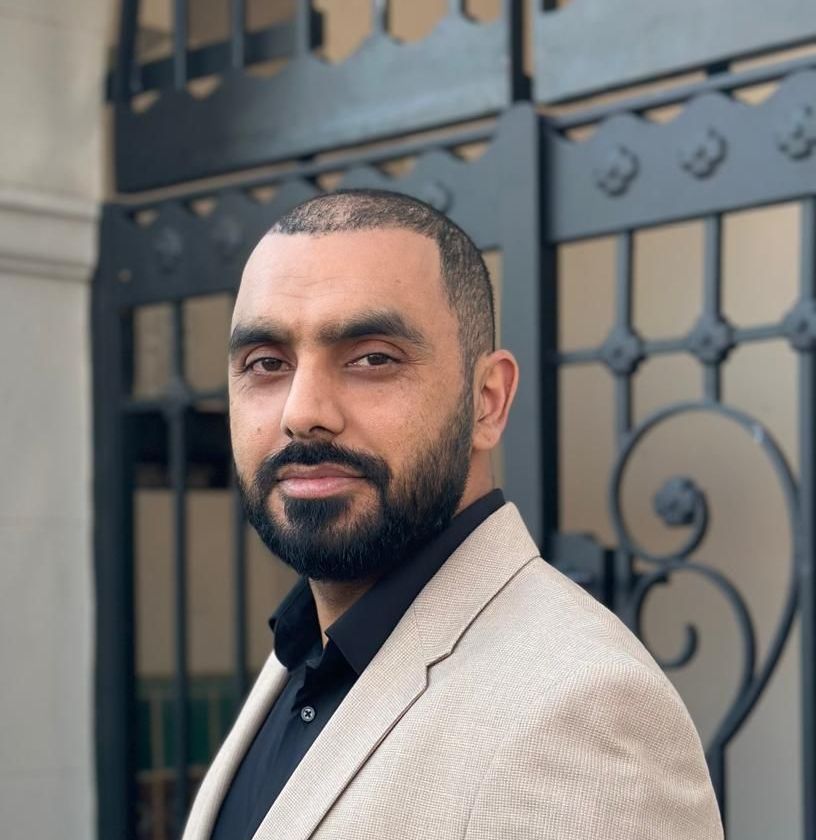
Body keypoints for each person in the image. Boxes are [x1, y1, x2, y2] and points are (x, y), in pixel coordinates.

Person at [182, 189, 723, 840]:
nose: (303, 412)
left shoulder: (583, 710)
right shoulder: (305, 652)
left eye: (372, 358)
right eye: (266, 363)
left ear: (487, 402)